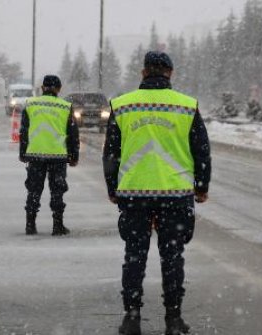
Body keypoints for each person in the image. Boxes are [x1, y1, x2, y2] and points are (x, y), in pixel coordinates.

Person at [103, 51, 211, 335]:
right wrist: (201, 187)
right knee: (173, 257)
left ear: (143, 73)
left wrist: (112, 187)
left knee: (134, 256)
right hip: (176, 195)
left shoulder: (123, 105)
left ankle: (132, 317)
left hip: (134, 194)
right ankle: (173, 319)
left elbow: (111, 152)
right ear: (170, 73)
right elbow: (201, 150)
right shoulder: (187, 106)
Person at [20, 75, 80, 236]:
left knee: (34, 189)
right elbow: (72, 133)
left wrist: (23, 153)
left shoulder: (30, 104)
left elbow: (24, 131)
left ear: (42, 88)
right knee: (57, 190)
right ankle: (57, 225)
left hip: (35, 154)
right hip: (58, 155)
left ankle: (30, 224)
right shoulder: (66, 107)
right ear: (59, 89)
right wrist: (74, 155)